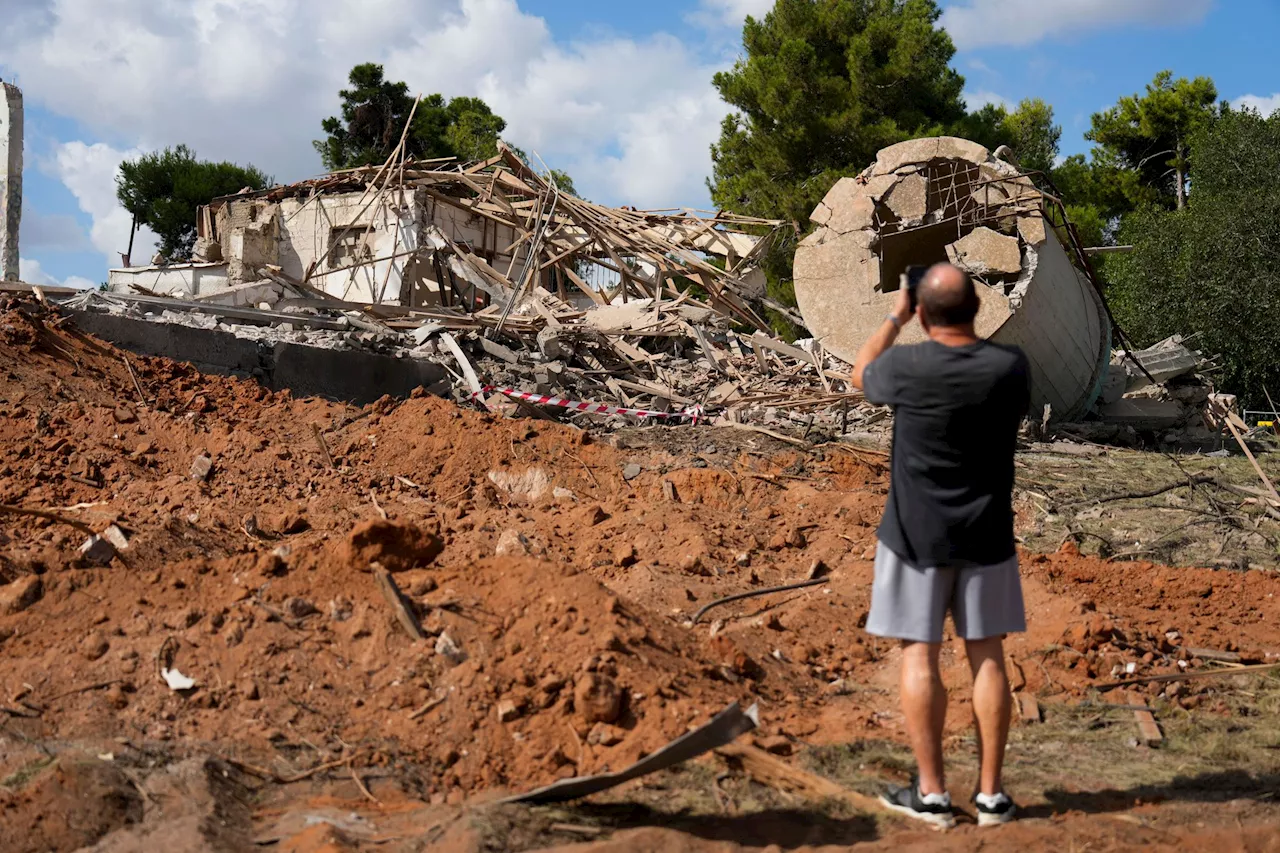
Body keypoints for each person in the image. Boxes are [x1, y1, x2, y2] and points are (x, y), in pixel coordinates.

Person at [850, 262, 1030, 829]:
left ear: (923, 312)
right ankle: (992, 798)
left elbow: (861, 375)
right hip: (988, 535)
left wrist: (896, 316)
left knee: (919, 655)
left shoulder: (904, 365)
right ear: (976, 309)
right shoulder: (1010, 367)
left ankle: (931, 795)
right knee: (987, 656)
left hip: (912, 538)